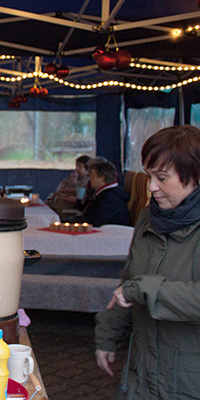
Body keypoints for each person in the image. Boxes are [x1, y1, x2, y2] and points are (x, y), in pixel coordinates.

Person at [95, 125, 200, 399]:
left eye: (161, 177)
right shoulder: (147, 217)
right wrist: (108, 334)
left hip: (188, 381)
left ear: (195, 175)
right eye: (149, 176)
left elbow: (136, 288)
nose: (152, 187)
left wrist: (143, 289)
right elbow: (128, 280)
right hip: (141, 375)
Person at [80, 159, 130, 226]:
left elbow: (95, 222)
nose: (90, 179)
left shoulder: (109, 198)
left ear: (102, 178)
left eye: (92, 175)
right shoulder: (108, 193)